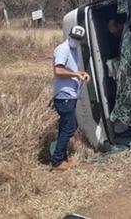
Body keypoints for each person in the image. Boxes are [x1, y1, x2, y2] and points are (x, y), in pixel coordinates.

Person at [50, 25, 91, 171]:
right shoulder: (63, 49)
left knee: (65, 128)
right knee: (69, 128)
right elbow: (59, 70)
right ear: (69, 36)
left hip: (70, 95)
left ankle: (62, 158)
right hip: (64, 95)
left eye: (78, 39)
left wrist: (80, 73)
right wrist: (76, 75)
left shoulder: (74, 50)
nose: (75, 41)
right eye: (74, 38)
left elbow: (69, 70)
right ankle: (57, 161)